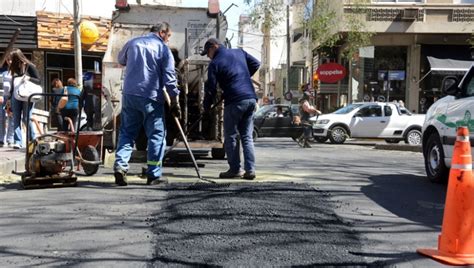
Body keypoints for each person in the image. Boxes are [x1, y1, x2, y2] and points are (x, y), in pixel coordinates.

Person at [113, 22, 180, 186]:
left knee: (127, 133)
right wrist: (175, 102)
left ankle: (120, 167)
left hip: (129, 94)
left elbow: (121, 60)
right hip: (151, 96)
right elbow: (170, 78)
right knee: (156, 135)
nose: (168, 40)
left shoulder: (133, 43)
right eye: (169, 36)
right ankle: (153, 174)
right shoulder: (163, 50)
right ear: (162, 33)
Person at [201, 38, 260, 180]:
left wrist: (206, 107)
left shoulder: (215, 63)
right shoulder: (239, 52)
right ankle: (250, 170)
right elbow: (256, 63)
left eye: (208, 52)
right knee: (247, 137)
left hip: (234, 101)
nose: (208, 56)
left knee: (231, 135)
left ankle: (235, 169)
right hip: (251, 99)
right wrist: (243, 77)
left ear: (214, 47)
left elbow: (211, 89)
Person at [8, 48, 41, 149]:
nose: (9, 60)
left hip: (27, 96)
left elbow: (38, 80)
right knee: (16, 118)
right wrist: (9, 98)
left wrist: (29, 78)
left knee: (26, 118)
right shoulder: (14, 68)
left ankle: (33, 139)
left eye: (11, 58)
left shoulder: (29, 66)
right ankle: (18, 141)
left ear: (17, 57)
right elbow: (13, 84)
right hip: (16, 95)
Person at [0, 63, 14, 147]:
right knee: (1, 117)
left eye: (11, 59)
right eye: (8, 59)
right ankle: (1, 139)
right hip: (2, 97)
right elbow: (0, 82)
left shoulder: (17, 71)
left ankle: (10, 139)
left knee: (12, 117)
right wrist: (0, 95)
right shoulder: (2, 70)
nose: (9, 61)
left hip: (12, 97)